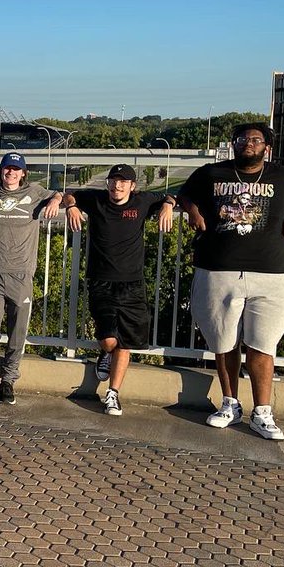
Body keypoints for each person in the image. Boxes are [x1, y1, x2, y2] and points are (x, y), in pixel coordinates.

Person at [177, 123, 284, 441]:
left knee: (262, 346)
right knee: (224, 343)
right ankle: (230, 404)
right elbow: (184, 195)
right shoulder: (211, 173)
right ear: (234, 144)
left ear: (267, 146)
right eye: (242, 139)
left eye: (255, 140)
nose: (247, 144)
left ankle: (262, 413)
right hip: (217, 271)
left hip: (272, 274)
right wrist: (194, 212)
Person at [63, 164, 175, 416]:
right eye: (114, 181)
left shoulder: (143, 201)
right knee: (109, 339)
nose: (118, 185)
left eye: (124, 181)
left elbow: (169, 195)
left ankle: (112, 393)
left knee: (125, 340)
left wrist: (168, 205)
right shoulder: (96, 200)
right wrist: (71, 206)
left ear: (133, 186)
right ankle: (105, 352)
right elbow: (69, 194)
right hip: (100, 280)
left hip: (132, 283)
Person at [0, 152, 62, 404]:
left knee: (17, 331)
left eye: (16, 169)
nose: (11, 173)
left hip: (21, 274)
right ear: (1, 171)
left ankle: (8, 380)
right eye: (7, 168)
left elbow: (59, 193)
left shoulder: (35, 192)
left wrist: (55, 201)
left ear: (23, 173)